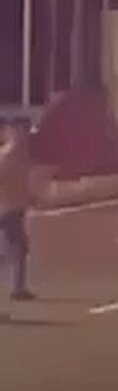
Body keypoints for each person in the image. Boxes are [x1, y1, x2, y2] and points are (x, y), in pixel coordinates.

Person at [0, 118, 36, 301]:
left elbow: (21, 182)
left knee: (15, 249)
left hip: (14, 208)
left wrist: (29, 196)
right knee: (16, 249)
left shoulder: (19, 155)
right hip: (8, 209)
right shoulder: (8, 156)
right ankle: (17, 288)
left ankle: (18, 287)